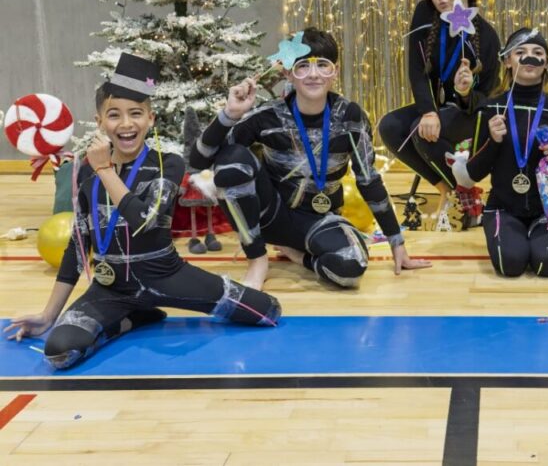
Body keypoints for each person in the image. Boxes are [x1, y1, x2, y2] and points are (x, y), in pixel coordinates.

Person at [5, 54, 280, 369]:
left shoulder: (168, 164)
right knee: (60, 352)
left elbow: (146, 222)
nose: (125, 124)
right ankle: (135, 316)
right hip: (111, 287)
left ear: (150, 119)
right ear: (99, 122)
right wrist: (47, 315)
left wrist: (106, 171)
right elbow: (78, 248)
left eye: (136, 114)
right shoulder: (85, 170)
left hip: (168, 276)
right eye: (113, 115)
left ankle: (143, 308)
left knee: (267, 312)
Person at [191, 28, 430, 290]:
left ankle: (296, 254)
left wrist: (397, 242)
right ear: (287, 73)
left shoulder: (350, 117)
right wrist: (229, 114)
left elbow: (368, 180)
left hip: (318, 218)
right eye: (303, 66)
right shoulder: (267, 116)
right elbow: (201, 160)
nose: (314, 75)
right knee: (232, 158)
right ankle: (257, 260)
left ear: (335, 72)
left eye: (323, 66)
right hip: (270, 214)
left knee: (351, 269)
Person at [377, 0, 500, 229]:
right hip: (440, 109)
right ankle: (449, 189)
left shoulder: (486, 36)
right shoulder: (425, 15)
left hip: (473, 115)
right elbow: (417, 71)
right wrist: (429, 111)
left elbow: (488, 94)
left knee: (421, 130)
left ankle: (464, 190)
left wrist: (465, 91)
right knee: (390, 126)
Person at [459, 28, 548, 277]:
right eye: (521, 52)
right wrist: (493, 141)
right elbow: (472, 173)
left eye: (538, 52)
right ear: (507, 61)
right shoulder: (490, 108)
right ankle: (514, 235)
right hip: (504, 207)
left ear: (546, 64)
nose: (530, 58)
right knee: (510, 265)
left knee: (546, 264)